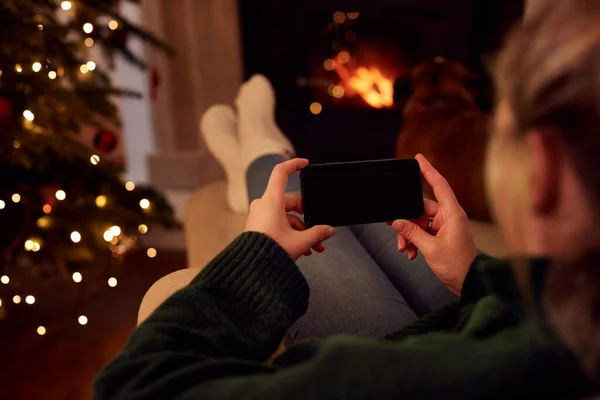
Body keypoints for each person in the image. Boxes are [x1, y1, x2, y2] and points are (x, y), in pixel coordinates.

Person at [94, 1, 600, 398]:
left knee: (295, 193)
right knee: (356, 209)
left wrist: (257, 256)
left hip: (418, 341)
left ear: (543, 170)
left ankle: (260, 156)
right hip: (484, 313)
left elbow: (136, 385)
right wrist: (473, 272)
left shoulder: (383, 380)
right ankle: (262, 154)